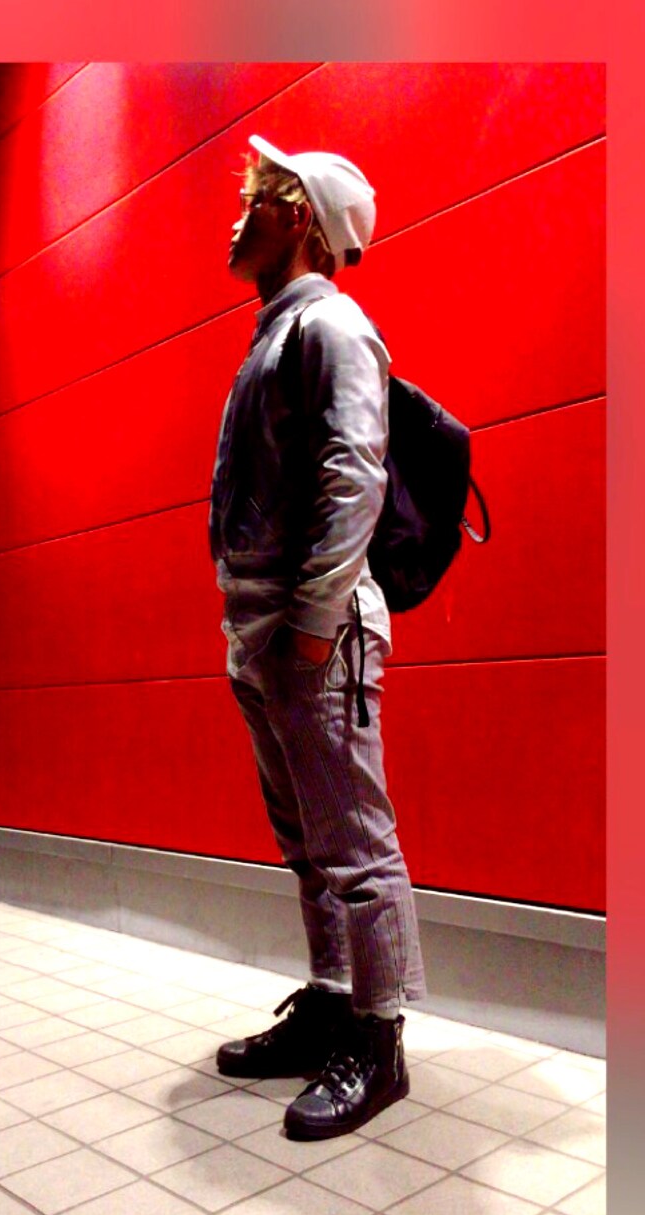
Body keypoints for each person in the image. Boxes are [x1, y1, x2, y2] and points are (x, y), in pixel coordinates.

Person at [208, 135, 427, 1141]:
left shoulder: (331, 326)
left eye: (253, 201)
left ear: (297, 217)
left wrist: (309, 625)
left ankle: (378, 1041)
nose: (235, 219)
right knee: (308, 845)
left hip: (314, 635)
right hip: (267, 631)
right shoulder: (280, 330)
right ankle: (334, 1000)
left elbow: (355, 474)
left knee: (355, 845)